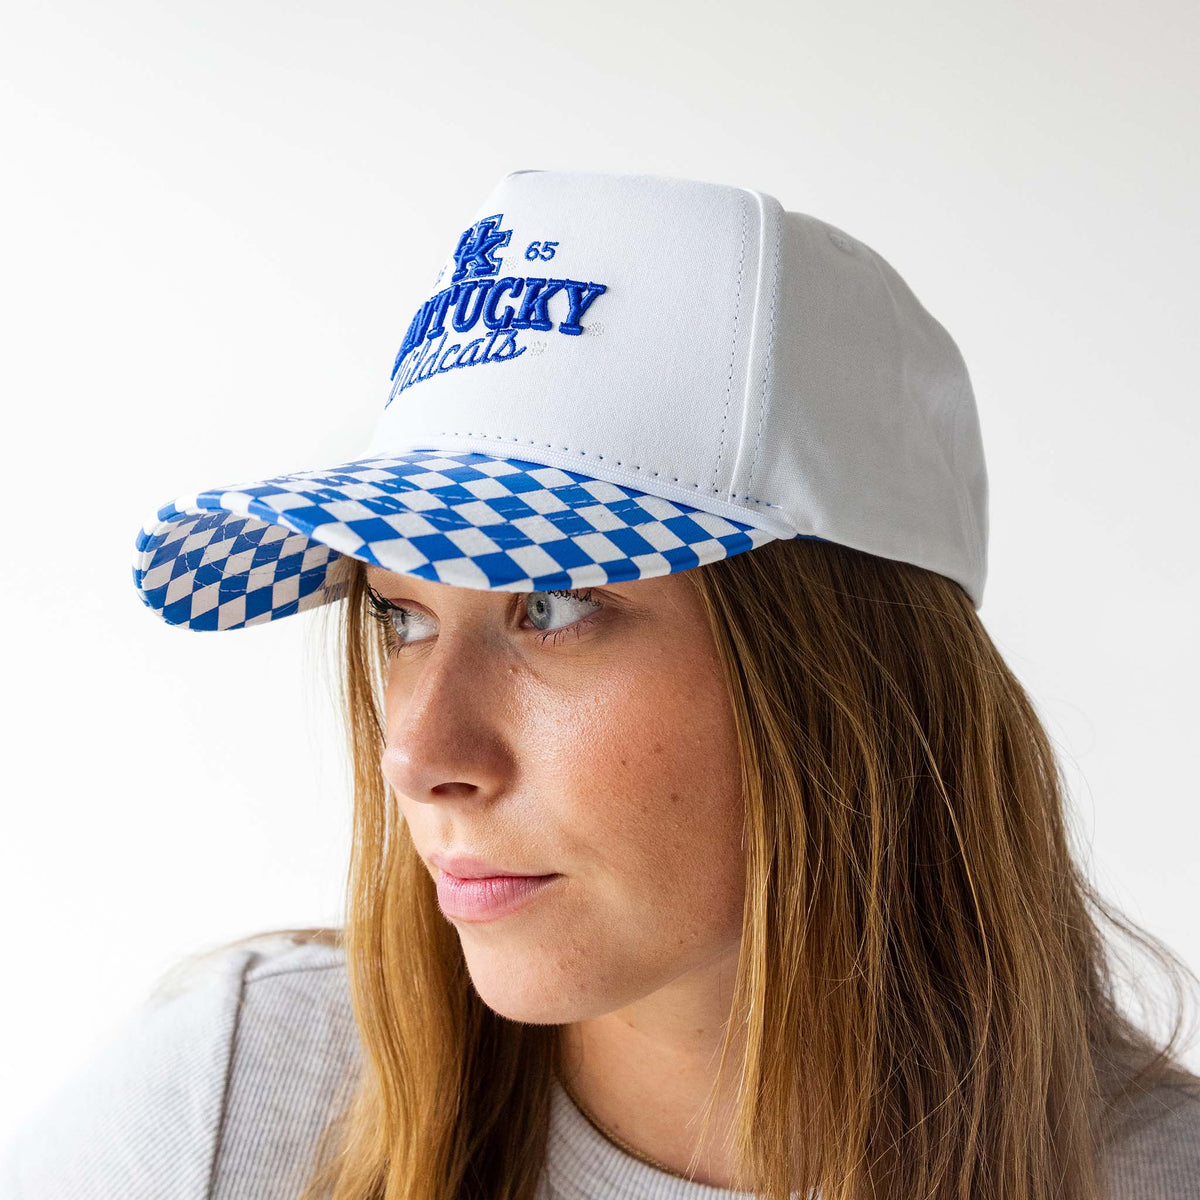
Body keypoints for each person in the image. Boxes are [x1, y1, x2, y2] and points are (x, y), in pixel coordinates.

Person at [3, 168, 1198, 1200]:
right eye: (401, 616)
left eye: (555, 606)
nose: (420, 755)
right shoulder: (231, 1101)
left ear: (851, 685)